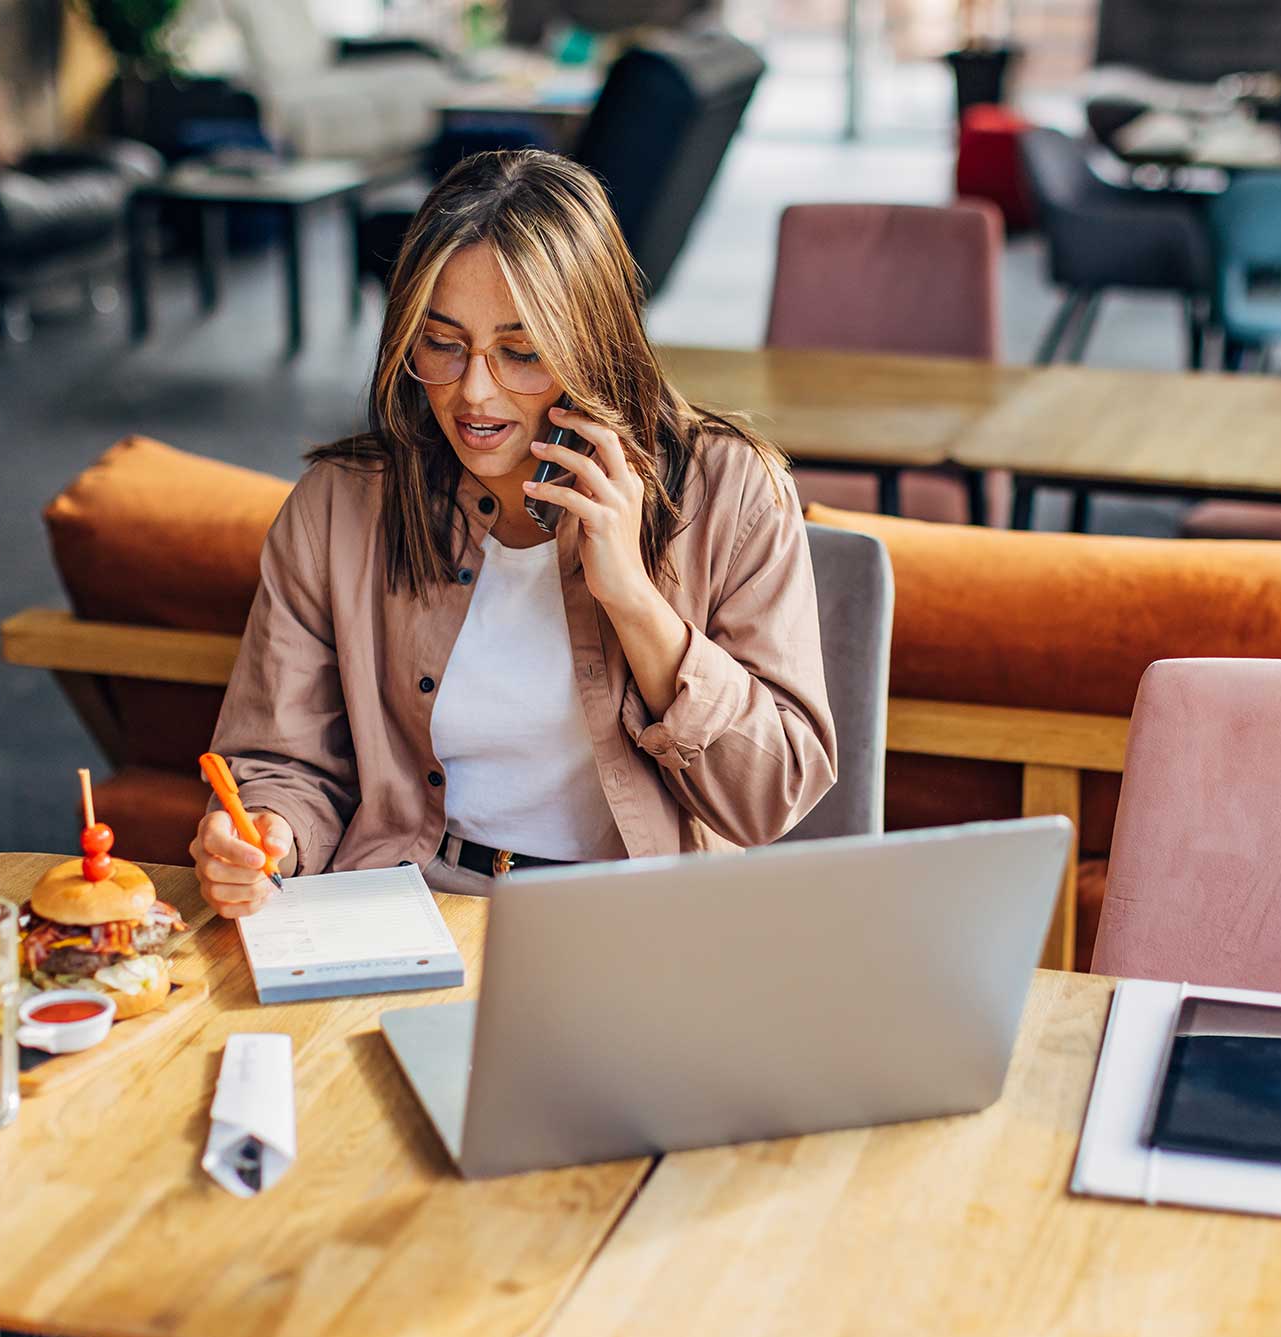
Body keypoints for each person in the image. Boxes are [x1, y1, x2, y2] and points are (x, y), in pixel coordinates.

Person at [193, 150, 837, 915]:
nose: (474, 390)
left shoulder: (731, 494)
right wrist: (268, 834)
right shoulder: (340, 506)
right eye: (441, 343)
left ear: (593, 344)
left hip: (633, 924)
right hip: (404, 905)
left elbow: (769, 799)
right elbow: (279, 761)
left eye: (522, 353)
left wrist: (635, 602)